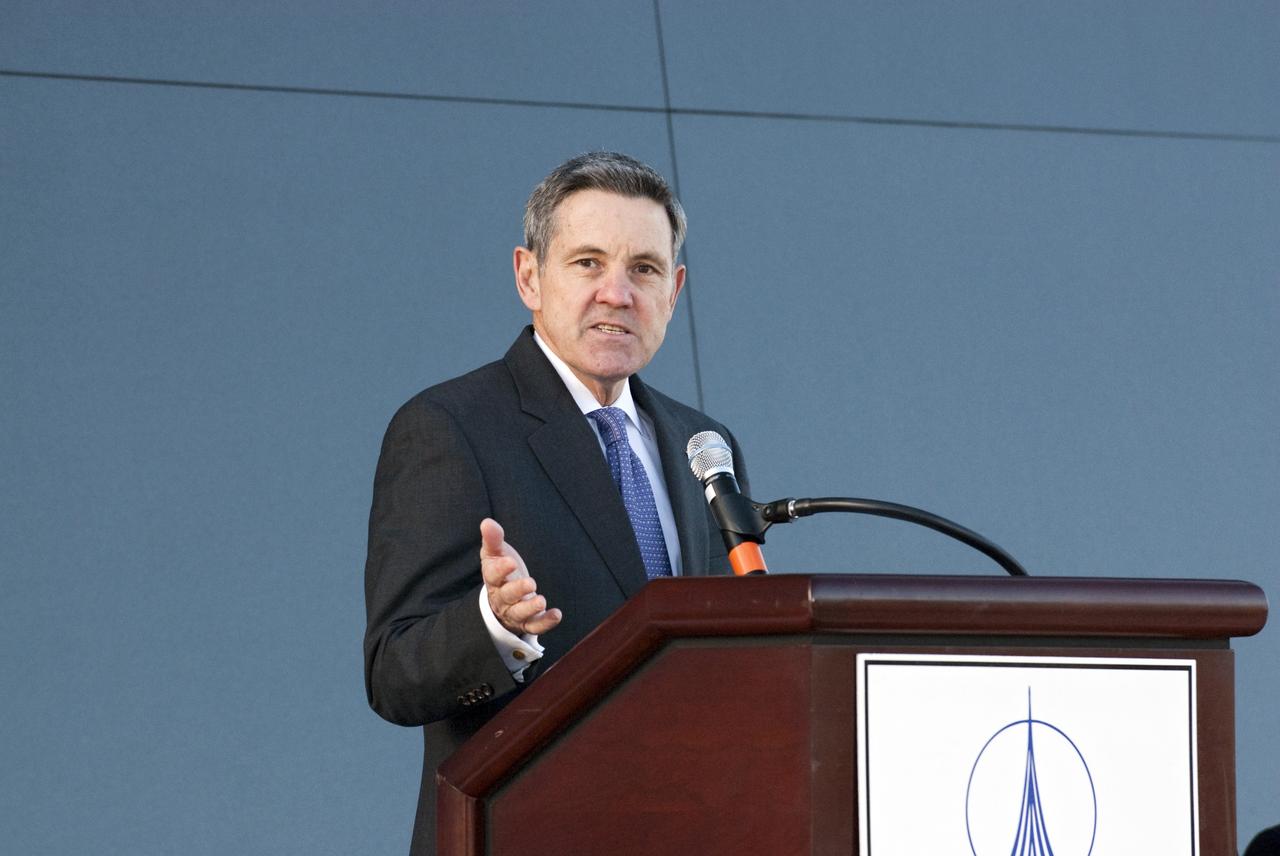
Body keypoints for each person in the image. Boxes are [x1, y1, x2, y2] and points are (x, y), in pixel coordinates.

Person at [363, 151, 749, 855]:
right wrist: (495, 625)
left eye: (644, 269)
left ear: (675, 290)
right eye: (587, 263)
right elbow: (395, 671)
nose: (617, 293)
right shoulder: (451, 426)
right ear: (529, 276)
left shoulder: (704, 444)